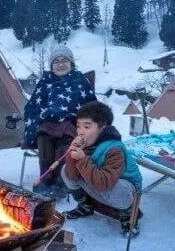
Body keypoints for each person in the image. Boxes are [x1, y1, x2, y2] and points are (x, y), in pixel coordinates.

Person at [22, 45, 96, 199]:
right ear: (51, 65)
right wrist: (39, 117)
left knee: (66, 137)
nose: (60, 64)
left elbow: (91, 106)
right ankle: (45, 178)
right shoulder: (45, 81)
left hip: (71, 122)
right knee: (43, 135)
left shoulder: (79, 79)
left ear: (71, 63)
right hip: (47, 122)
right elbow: (34, 105)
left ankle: (60, 182)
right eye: (56, 61)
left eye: (64, 60)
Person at [61, 101, 143, 235]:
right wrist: (72, 155)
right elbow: (72, 176)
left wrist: (82, 159)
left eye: (87, 127)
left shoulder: (114, 149)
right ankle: (85, 206)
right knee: (65, 170)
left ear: (102, 127)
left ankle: (127, 214)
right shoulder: (88, 144)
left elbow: (104, 184)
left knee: (118, 189)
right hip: (99, 181)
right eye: (78, 127)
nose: (81, 133)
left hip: (124, 187)